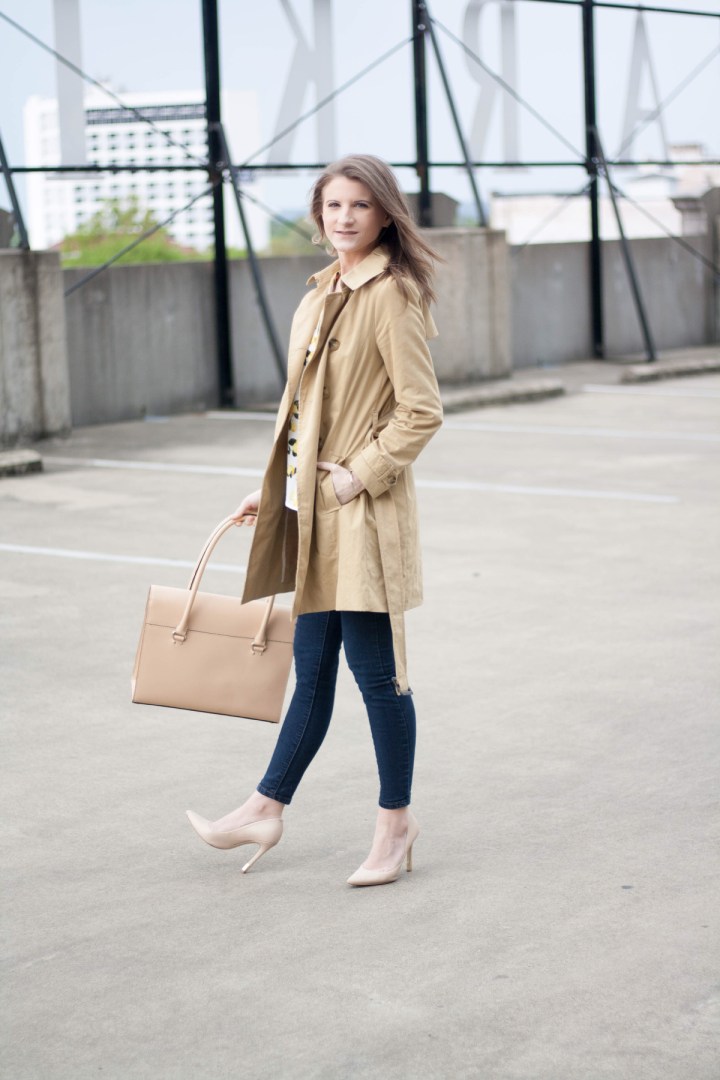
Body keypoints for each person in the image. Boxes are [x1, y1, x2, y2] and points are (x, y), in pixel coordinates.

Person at [186, 154, 443, 886]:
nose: (345, 217)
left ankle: (395, 824)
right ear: (319, 213)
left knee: (377, 674)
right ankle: (265, 806)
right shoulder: (319, 293)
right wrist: (275, 494)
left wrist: (355, 478)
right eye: (333, 205)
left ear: (385, 213)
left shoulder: (391, 294)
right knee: (311, 673)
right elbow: (301, 416)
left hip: (359, 516)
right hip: (313, 514)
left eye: (360, 205)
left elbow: (421, 411)